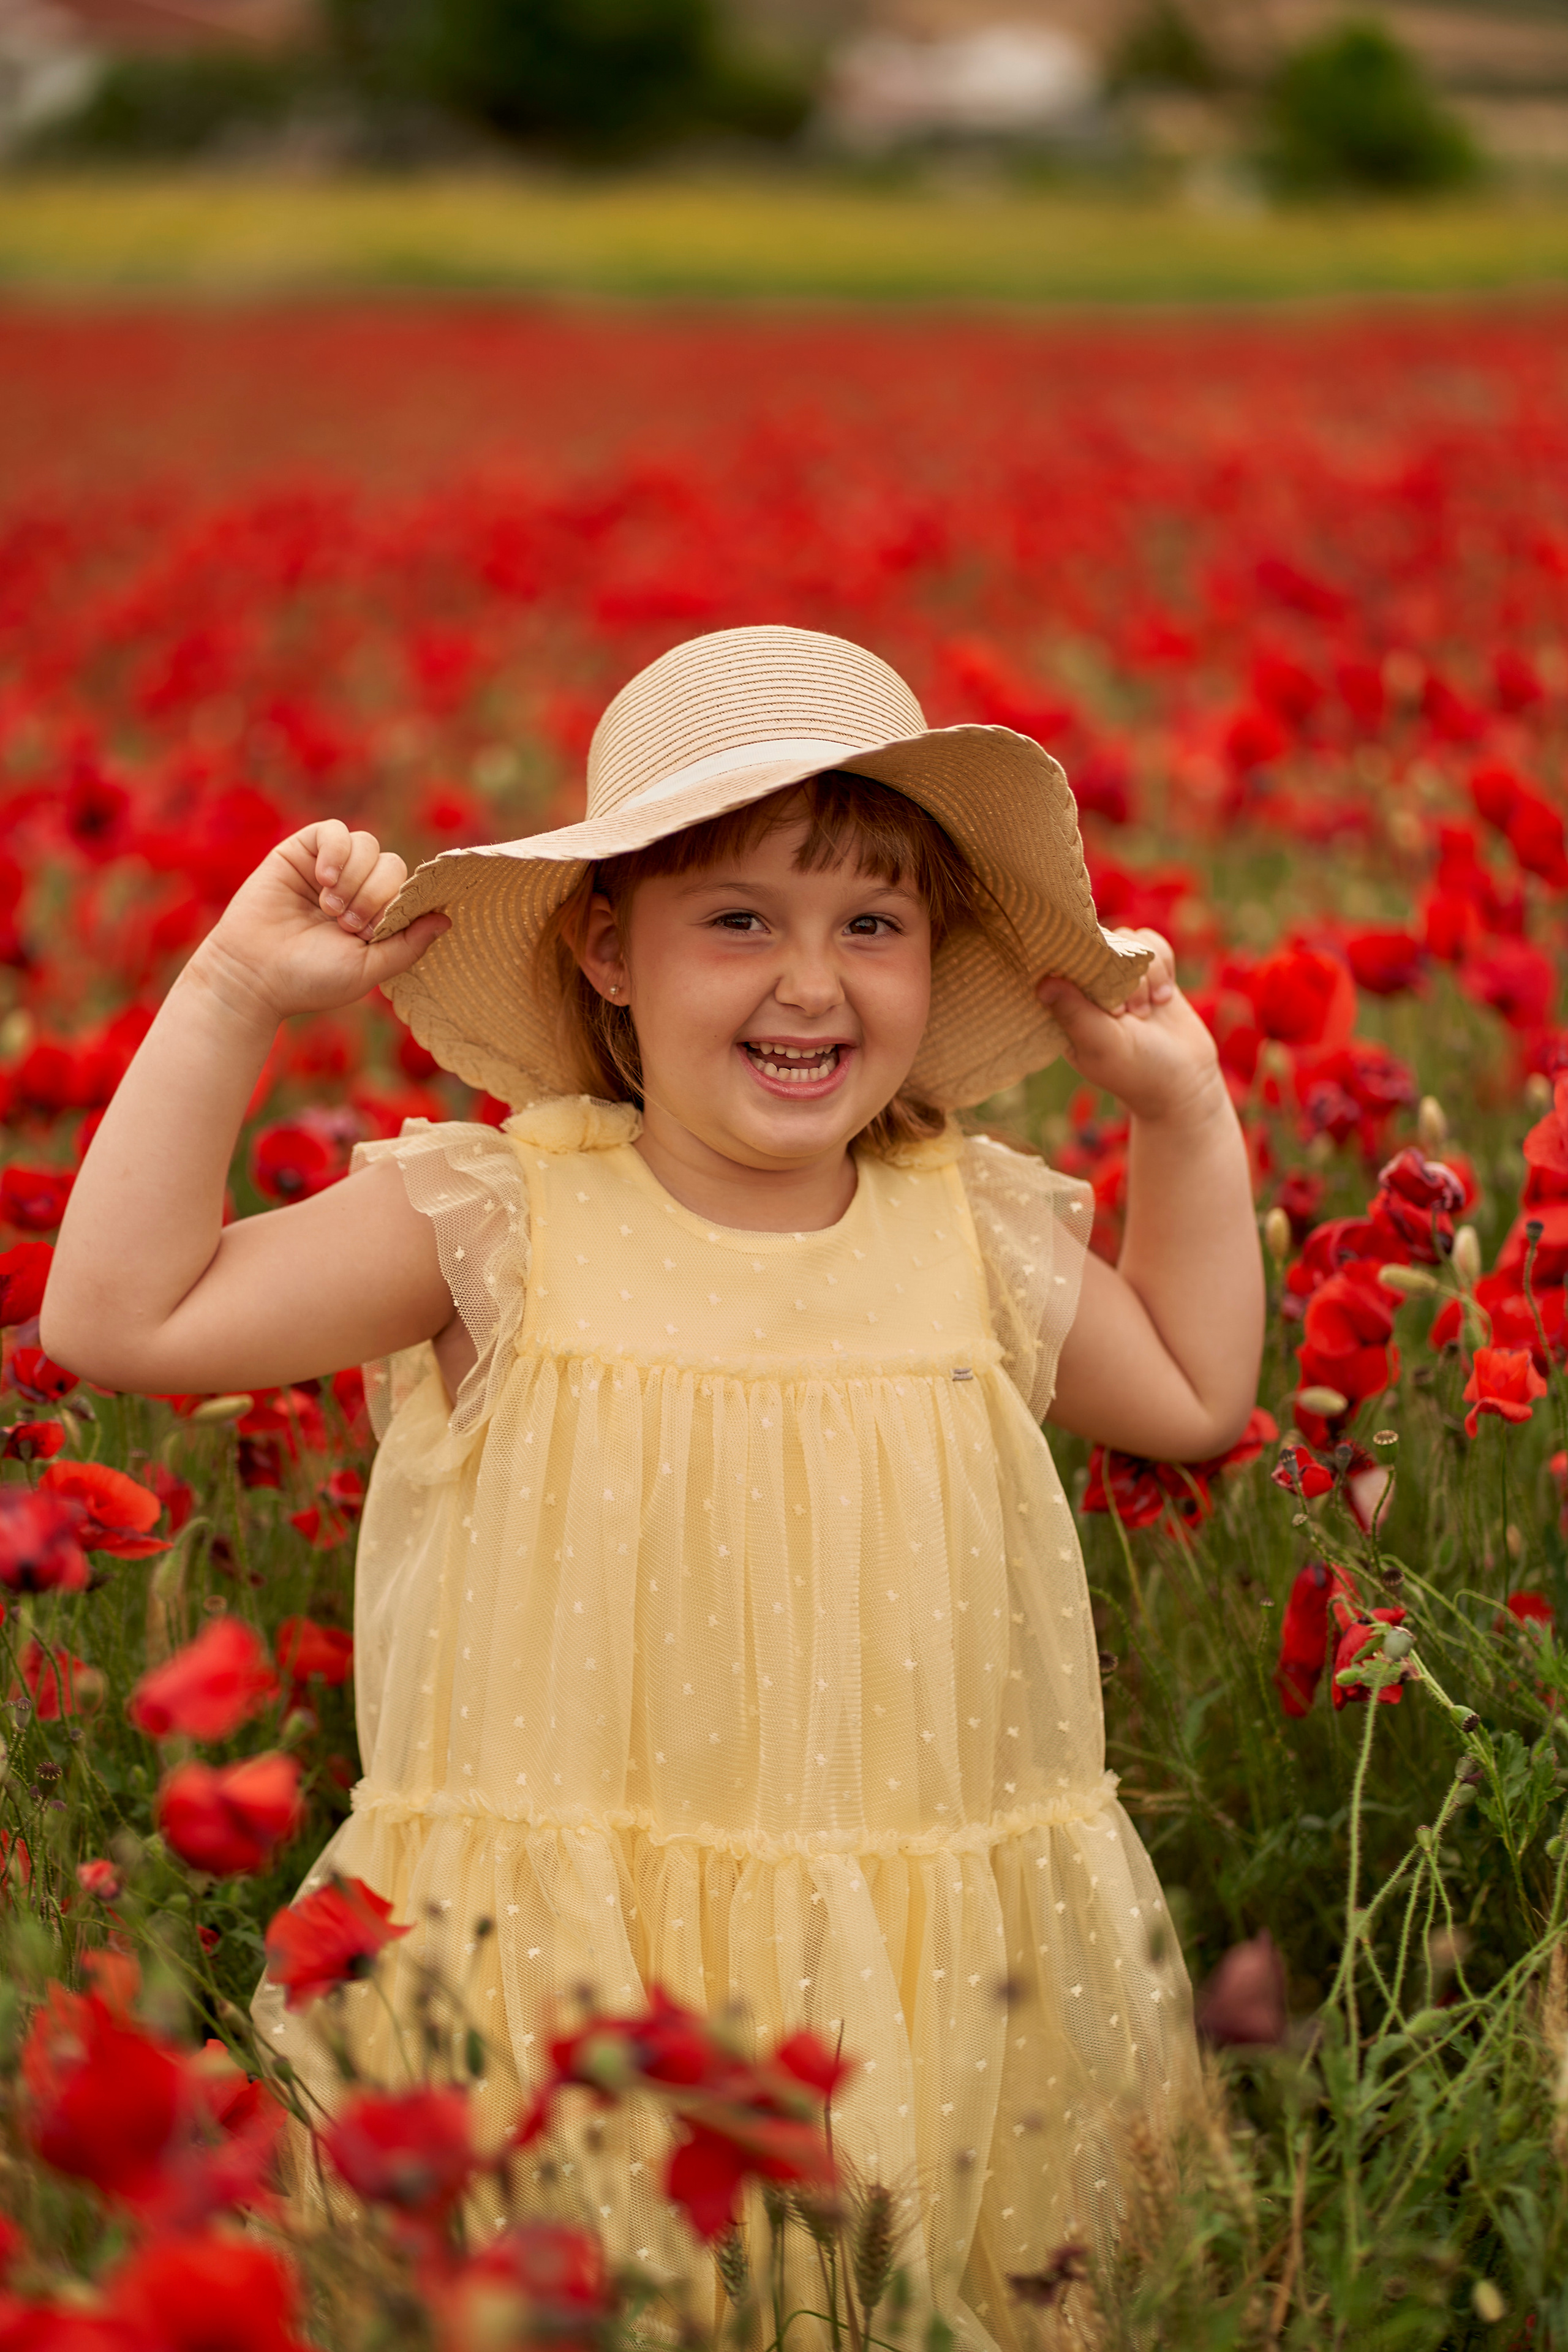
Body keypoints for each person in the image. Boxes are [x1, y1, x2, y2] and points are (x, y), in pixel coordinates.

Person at [43, 625, 1262, 2344]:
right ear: (608, 948)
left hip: (915, 1972)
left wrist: (1187, 1118)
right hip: (558, 1976)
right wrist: (234, 994)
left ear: (935, 958)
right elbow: (119, 1320)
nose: (813, 981)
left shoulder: (968, 1230)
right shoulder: (497, 1223)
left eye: (873, 925)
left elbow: (1199, 1392)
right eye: (739, 920)